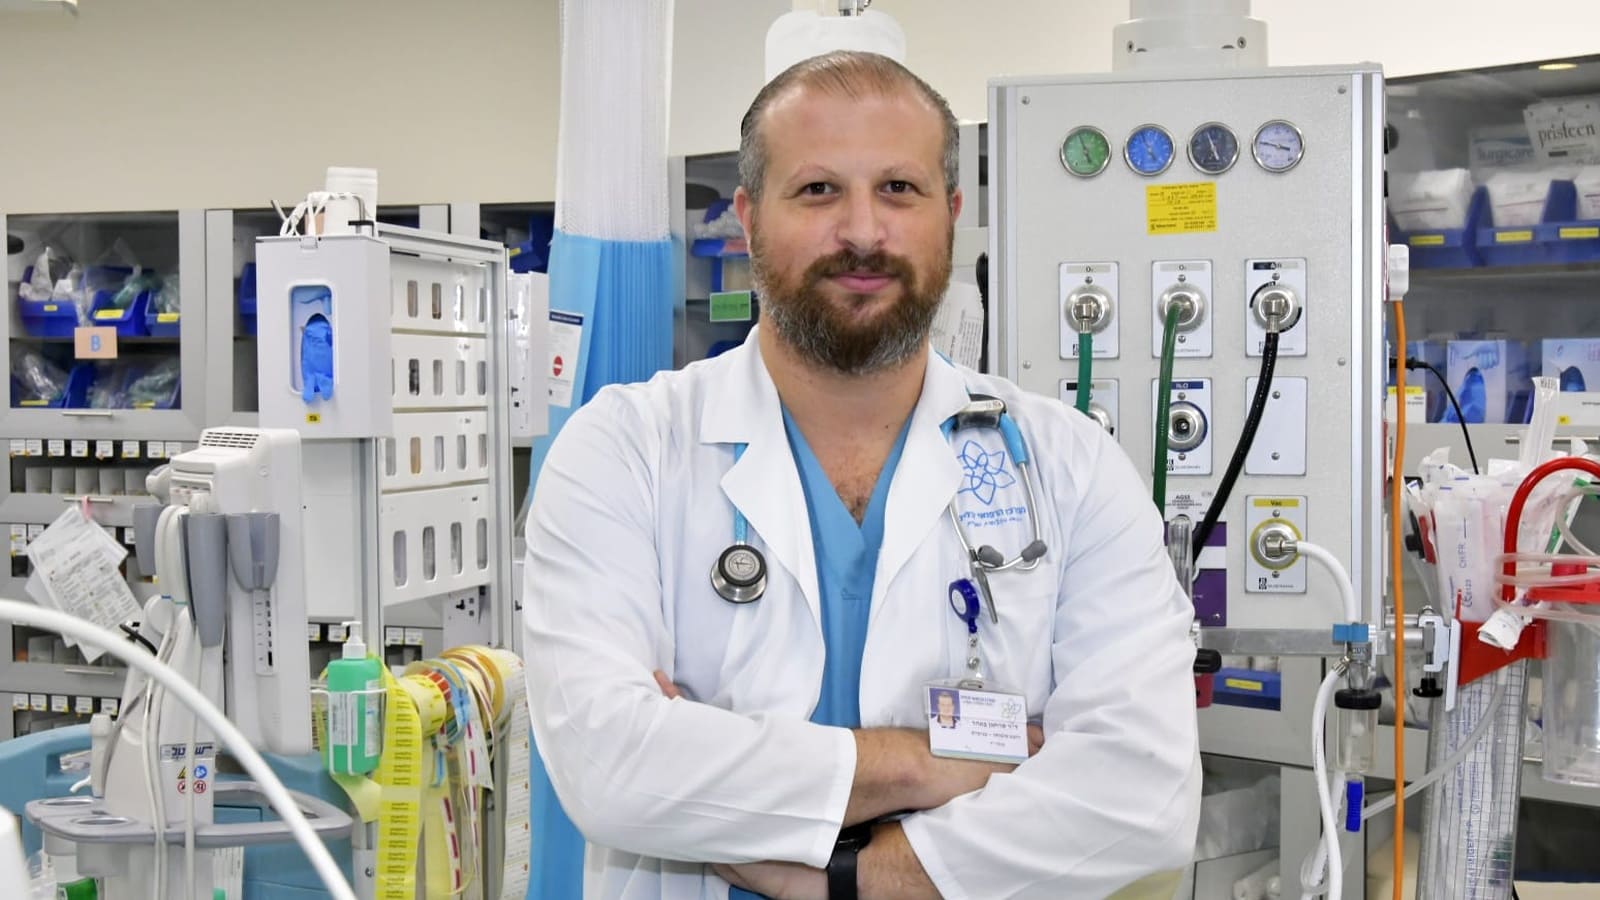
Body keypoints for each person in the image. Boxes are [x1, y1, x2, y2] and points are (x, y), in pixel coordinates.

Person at [523, 49, 1201, 900]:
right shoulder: (622, 452)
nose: (863, 232)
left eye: (898, 190)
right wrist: (931, 761)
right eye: (817, 191)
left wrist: (857, 877)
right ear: (747, 218)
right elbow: (611, 767)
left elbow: (1146, 794)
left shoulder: (1069, 467)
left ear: (951, 214)